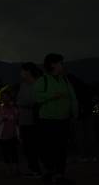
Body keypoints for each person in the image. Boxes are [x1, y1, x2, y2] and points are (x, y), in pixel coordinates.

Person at [35, 53, 77, 185]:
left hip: (63, 120)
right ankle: (50, 171)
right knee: (49, 148)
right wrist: (52, 95)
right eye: (60, 63)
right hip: (48, 121)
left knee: (61, 148)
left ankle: (59, 175)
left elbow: (72, 98)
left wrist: (74, 114)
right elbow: (36, 97)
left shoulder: (64, 80)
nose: (62, 65)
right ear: (53, 64)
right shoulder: (43, 80)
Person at [17, 62, 43, 178]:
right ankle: (34, 169)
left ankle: (37, 169)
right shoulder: (24, 84)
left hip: (33, 120)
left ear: (27, 72)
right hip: (24, 119)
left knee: (33, 146)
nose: (21, 73)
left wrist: (21, 103)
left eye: (22, 70)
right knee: (27, 146)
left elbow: (33, 100)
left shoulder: (36, 84)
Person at [67, 73, 98, 163]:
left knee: (79, 134)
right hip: (87, 110)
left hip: (80, 112)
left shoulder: (71, 86)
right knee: (89, 133)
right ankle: (92, 155)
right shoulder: (83, 86)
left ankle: (82, 155)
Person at [0, 90, 20, 176]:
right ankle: (9, 169)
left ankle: (15, 169)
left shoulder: (14, 109)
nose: (5, 99)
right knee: (6, 153)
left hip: (13, 134)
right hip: (3, 135)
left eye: (6, 97)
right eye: (3, 97)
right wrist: (2, 118)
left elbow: (18, 119)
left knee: (14, 152)